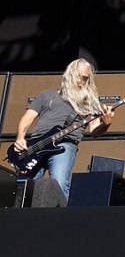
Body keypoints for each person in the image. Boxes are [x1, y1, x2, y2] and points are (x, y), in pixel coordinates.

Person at [12, 58, 115, 199]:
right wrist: (20, 138)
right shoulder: (47, 95)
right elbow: (27, 118)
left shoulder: (90, 103)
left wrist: (106, 124)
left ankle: (62, 219)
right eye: (79, 77)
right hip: (35, 145)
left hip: (65, 144)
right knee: (24, 186)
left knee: (59, 182)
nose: (81, 82)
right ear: (69, 75)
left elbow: (94, 132)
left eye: (86, 79)